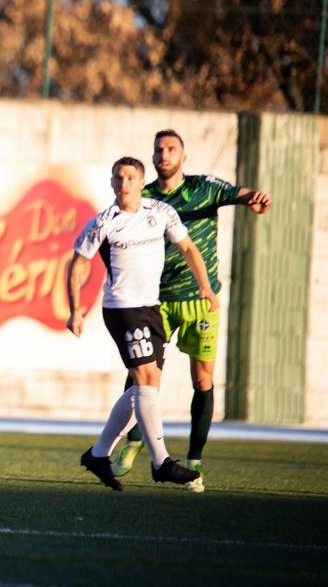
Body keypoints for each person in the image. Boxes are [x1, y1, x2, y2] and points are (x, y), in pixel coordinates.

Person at [109, 129, 273, 491]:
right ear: (152, 157)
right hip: (155, 300)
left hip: (201, 300)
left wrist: (255, 199)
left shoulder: (205, 187)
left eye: (171, 150)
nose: (164, 155)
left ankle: (194, 461)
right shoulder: (144, 196)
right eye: (158, 150)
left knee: (203, 380)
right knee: (143, 374)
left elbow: (238, 194)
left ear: (184, 156)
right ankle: (133, 444)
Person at [67, 156, 216, 491]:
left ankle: (99, 453)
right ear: (111, 183)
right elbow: (77, 264)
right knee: (146, 380)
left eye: (130, 178)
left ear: (140, 181)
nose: (124, 184)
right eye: (118, 178)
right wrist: (75, 310)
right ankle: (161, 461)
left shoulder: (160, 212)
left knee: (143, 388)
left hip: (151, 308)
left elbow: (189, 248)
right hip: (123, 309)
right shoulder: (104, 222)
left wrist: (204, 285)